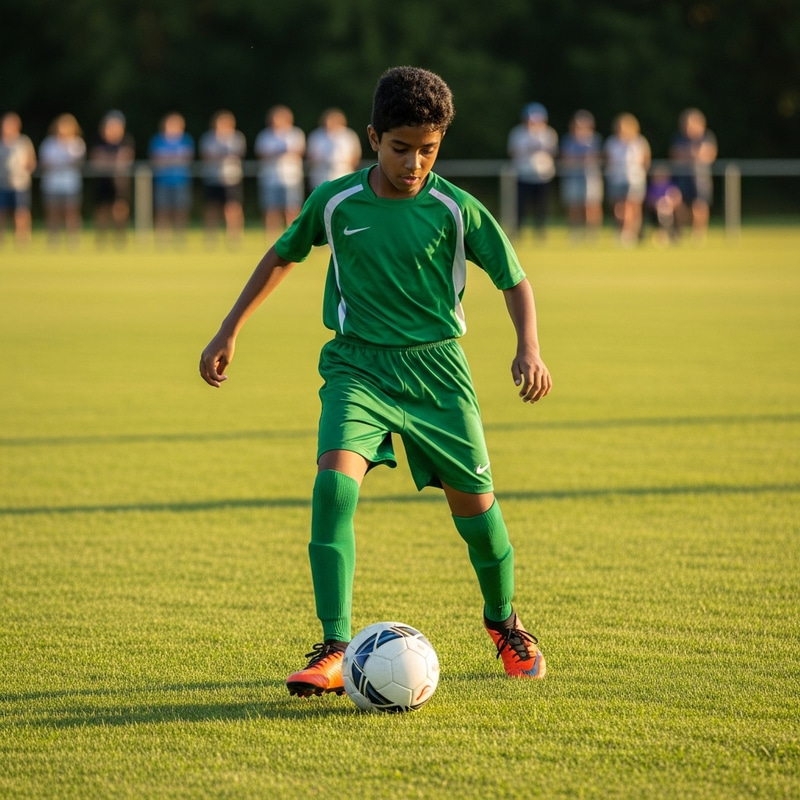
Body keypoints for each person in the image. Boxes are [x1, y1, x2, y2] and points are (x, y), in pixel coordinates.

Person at [200, 66, 552, 697]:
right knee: (333, 487)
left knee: (476, 513)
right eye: (400, 147)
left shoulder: (455, 207)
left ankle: (505, 624)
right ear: (372, 138)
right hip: (356, 366)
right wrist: (230, 329)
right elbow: (283, 253)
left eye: (428, 149)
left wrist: (529, 346)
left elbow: (514, 278)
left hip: (438, 372)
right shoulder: (335, 201)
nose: (414, 162)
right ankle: (335, 647)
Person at [507, 102, 558, 239]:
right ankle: (518, 231)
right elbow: (512, 152)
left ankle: (540, 232)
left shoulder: (549, 134)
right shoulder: (518, 133)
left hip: (543, 176)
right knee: (520, 206)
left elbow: (553, 152)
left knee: (541, 207)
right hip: (523, 174)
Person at [254, 105, 305, 237]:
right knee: (271, 210)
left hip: (291, 178)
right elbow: (261, 154)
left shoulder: (295, 134)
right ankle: (272, 238)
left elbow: (300, 151)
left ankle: (293, 236)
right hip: (270, 178)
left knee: (292, 209)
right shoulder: (265, 135)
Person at [198, 110, 246, 248]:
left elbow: (237, 155)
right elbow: (206, 156)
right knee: (211, 208)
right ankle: (210, 238)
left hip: (231, 179)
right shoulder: (208, 138)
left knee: (232, 208)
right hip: (212, 178)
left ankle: (234, 238)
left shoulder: (236, 138)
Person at [603, 112, 651, 247]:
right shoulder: (612, 142)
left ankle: (631, 233)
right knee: (619, 207)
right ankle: (621, 230)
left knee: (632, 206)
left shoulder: (639, 142)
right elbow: (607, 159)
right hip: (616, 179)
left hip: (634, 179)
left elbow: (646, 160)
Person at [669, 108, 717, 241]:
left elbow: (709, 155)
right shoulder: (679, 138)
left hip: (701, 178)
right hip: (683, 177)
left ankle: (698, 234)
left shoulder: (707, 137)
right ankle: (678, 233)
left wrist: (690, 154)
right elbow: (675, 155)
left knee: (700, 205)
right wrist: (693, 154)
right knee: (678, 204)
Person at [39, 113, 86, 246]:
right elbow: (46, 164)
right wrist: (64, 163)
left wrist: (59, 163)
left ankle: (73, 240)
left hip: (71, 185)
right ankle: (53, 240)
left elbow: (77, 163)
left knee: (72, 213)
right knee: (52, 213)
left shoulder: (77, 143)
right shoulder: (49, 143)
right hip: (52, 184)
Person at [89, 110, 135, 248]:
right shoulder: (97, 141)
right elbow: (96, 158)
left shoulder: (126, 140)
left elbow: (125, 158)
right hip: (102, 181)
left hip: (120, 182)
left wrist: (107, 160)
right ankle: (101, 239)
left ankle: (120, 239)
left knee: (120, 208)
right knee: (102, 209)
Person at [149, 112, 195, 246]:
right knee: (162, 210)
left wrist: (168, 160)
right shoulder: (157, 140)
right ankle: (162, 239)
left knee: (181, 210)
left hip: (181, 181)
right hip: (162, 181)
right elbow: (156, 159)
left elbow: (187, 159)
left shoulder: (186, 139)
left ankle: (180, 237)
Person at [559, 109, 603, 241]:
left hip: (591, 178)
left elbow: (596, 157)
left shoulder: (595, 139)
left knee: (592, 206)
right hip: (572, 177)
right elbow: (566, 158)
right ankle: (575, 232)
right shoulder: (568, 139)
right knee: (574, 206)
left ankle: (592, 233)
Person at [0, 112, 36, 247]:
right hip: (2, 182)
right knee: (1, 211)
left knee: (21, 211)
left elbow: (31, 160)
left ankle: (22, 238)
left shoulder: (23, 141)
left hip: (20, 183)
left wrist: (26, 169)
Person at [306, 107, 362, 191]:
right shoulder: (316, 135)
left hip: (342, 172)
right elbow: (311, 155)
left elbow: (355, 155)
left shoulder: (348, 135)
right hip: (321, 172)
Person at [644, 166, 682, 246]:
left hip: (671, 209)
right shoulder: (652, 187)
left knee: (679, 212)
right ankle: (660, 233)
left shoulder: (671, 185)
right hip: (655, 210)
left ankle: (674, 234)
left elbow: (677, 197)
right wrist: (658, 204)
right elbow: (648, 200)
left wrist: (670, 203)